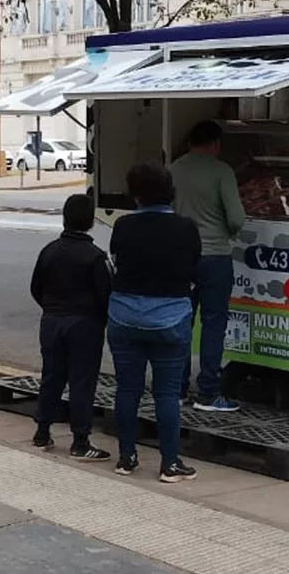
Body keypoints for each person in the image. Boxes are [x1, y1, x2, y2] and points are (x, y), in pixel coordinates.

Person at [108, 162, 200, 484]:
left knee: (128, 389)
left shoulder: (122, 227)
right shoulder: (186, 228)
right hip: (171, 319)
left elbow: (117, 260)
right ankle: (170, 464)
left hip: (124, 316)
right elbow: (193, 267)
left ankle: (126, 457)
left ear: (134, 195)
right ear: (170, 192)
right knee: (167, 393)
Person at [168, 120, 245, 412]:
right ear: (215, 143)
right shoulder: (222, 171)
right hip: (215, 258)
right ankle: (209, 394)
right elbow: (236, 218)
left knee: (181, 322)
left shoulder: (173, 170)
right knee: (214, 324)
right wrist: (227, 231)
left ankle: (177, 388)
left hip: (182, 257)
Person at [30, 193, 112, 461]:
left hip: (52, 321)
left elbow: (36, 288)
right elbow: (105, 295)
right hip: (84, 324)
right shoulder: (95, 257)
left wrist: (51, 308)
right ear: (90, 222)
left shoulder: (49, 250)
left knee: (51, 377)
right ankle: (80, 441)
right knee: (82, 381)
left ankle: (42, 431)